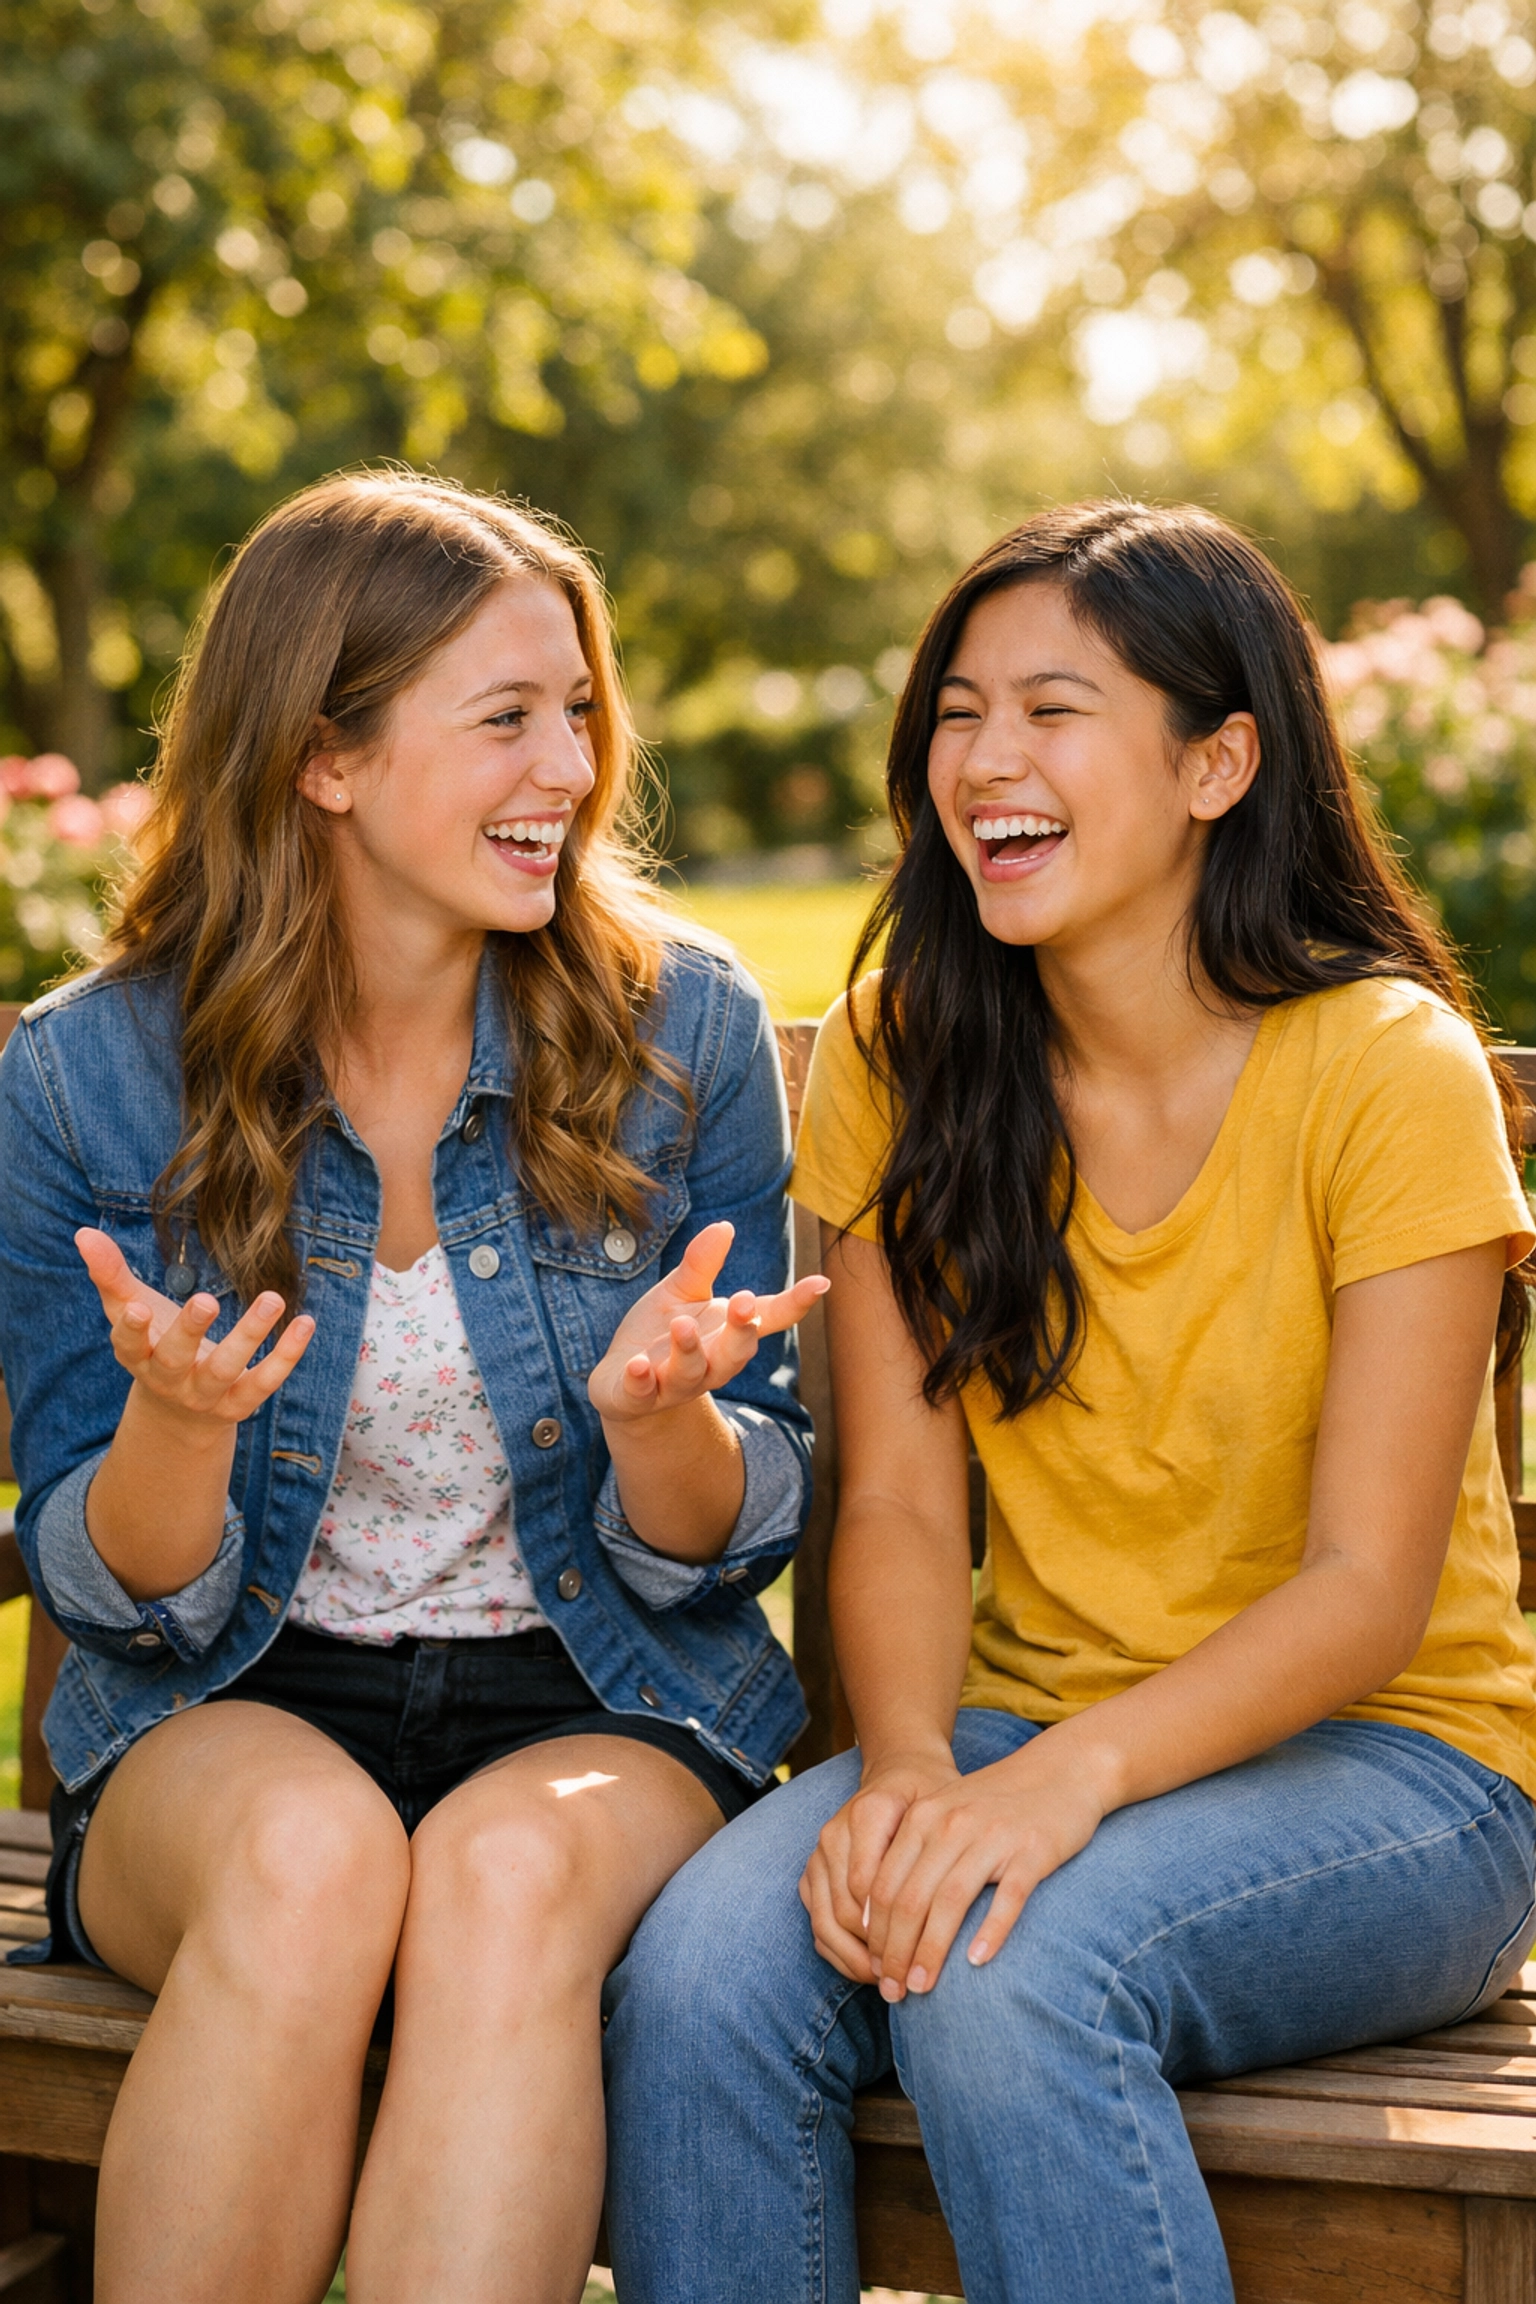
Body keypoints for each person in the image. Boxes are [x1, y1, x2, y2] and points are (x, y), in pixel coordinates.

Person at [603, 500, 1536, 2304]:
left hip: (1404, 1777)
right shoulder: (904, 1048)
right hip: (1018, 1738)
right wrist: (911, 1771)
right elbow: (893, 1507)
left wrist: (1057, 1795)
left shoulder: (1383, 1068)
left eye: (1052, 708)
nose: (986, 761)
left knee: (1008, 1965)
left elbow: (1367, 1588)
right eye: (957, 712)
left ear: (1217, 764)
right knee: (701, 1973)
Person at [0, 471, 825, 2304]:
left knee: (495, 1883)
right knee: (316, 1858)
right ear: (326, 760)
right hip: (222, 1711)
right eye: (508, 717)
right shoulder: (88, 1080)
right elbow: (112, 1588)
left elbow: (717, 1553)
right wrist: (177, 1430)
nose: (572, 766)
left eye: (581, 709)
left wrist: (664, 1419)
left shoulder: (678, 1034)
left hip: (597, 1703)